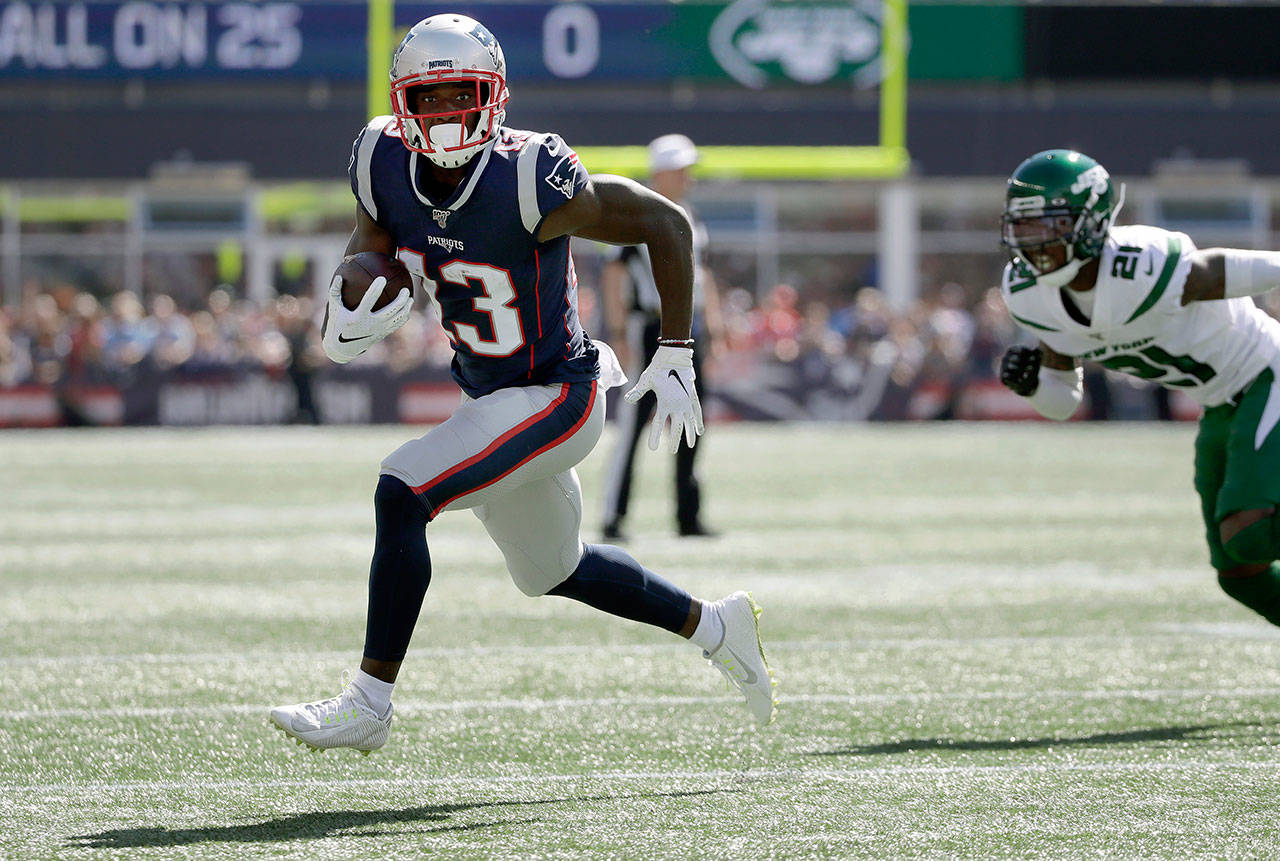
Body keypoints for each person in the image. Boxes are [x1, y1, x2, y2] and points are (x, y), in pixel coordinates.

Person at [269, 14, 775, 754]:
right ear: (403, 102)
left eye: (459, 96)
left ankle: (369, 702)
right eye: (428, 99)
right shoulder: (380, 157)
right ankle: (716, 623)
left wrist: (676, 349)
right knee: (554, 569)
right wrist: (350, 303)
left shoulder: (532, 173)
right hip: (492, 396)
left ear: (493, 96)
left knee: (402, 488)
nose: (443, 116)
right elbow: (372, 244)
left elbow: (665, 222)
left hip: (558, 393)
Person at [997, 148, 1280, 628]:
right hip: (1218, 403)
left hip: (1265, 373)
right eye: (1024, 227)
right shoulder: (1029, 296)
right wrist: (1031, 388)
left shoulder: (1139, 263)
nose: (1034, 241)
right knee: (1239, 571)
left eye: (1049, 224)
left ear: (1091, 222)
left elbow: (1218, 270)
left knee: (1248, 532)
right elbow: (1064, 401)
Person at [598, 134, 724, 539]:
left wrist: (715, 325)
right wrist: (618, 330)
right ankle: (613, 517)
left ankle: (688, 517)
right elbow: (614, 274)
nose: (687, 177)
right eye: (681, 169)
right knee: (633, 423)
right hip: (649, 328)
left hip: (688, 329)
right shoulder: (636, 215)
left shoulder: (691, 215)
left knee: (691, 421)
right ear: (661, 172)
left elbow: (701, 276)